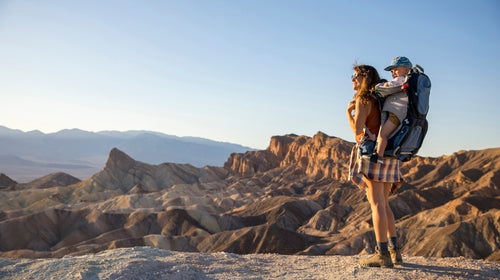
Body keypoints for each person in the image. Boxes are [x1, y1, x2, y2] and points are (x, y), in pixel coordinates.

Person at [346, 64, 404, 268]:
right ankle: (395, 252)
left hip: (373, 156)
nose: (352, 80)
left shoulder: (364, 100)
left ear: (364, 78)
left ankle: (382, 255)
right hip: (390, 155)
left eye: (355, 76)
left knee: (377, 204)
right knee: (385, 203)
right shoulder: (382, 100)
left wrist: (348, 114)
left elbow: (358, 133)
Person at [371, 56, 413, 163]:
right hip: (402, 114)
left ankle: (379, 156)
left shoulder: (401, 80)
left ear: (407, 69)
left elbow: (387, 86)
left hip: (396, 114)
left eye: (396, 69)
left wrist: (381, 85)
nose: (393, 72)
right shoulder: (409, 81)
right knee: (388, 134)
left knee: (383, 134)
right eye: (392, 70)